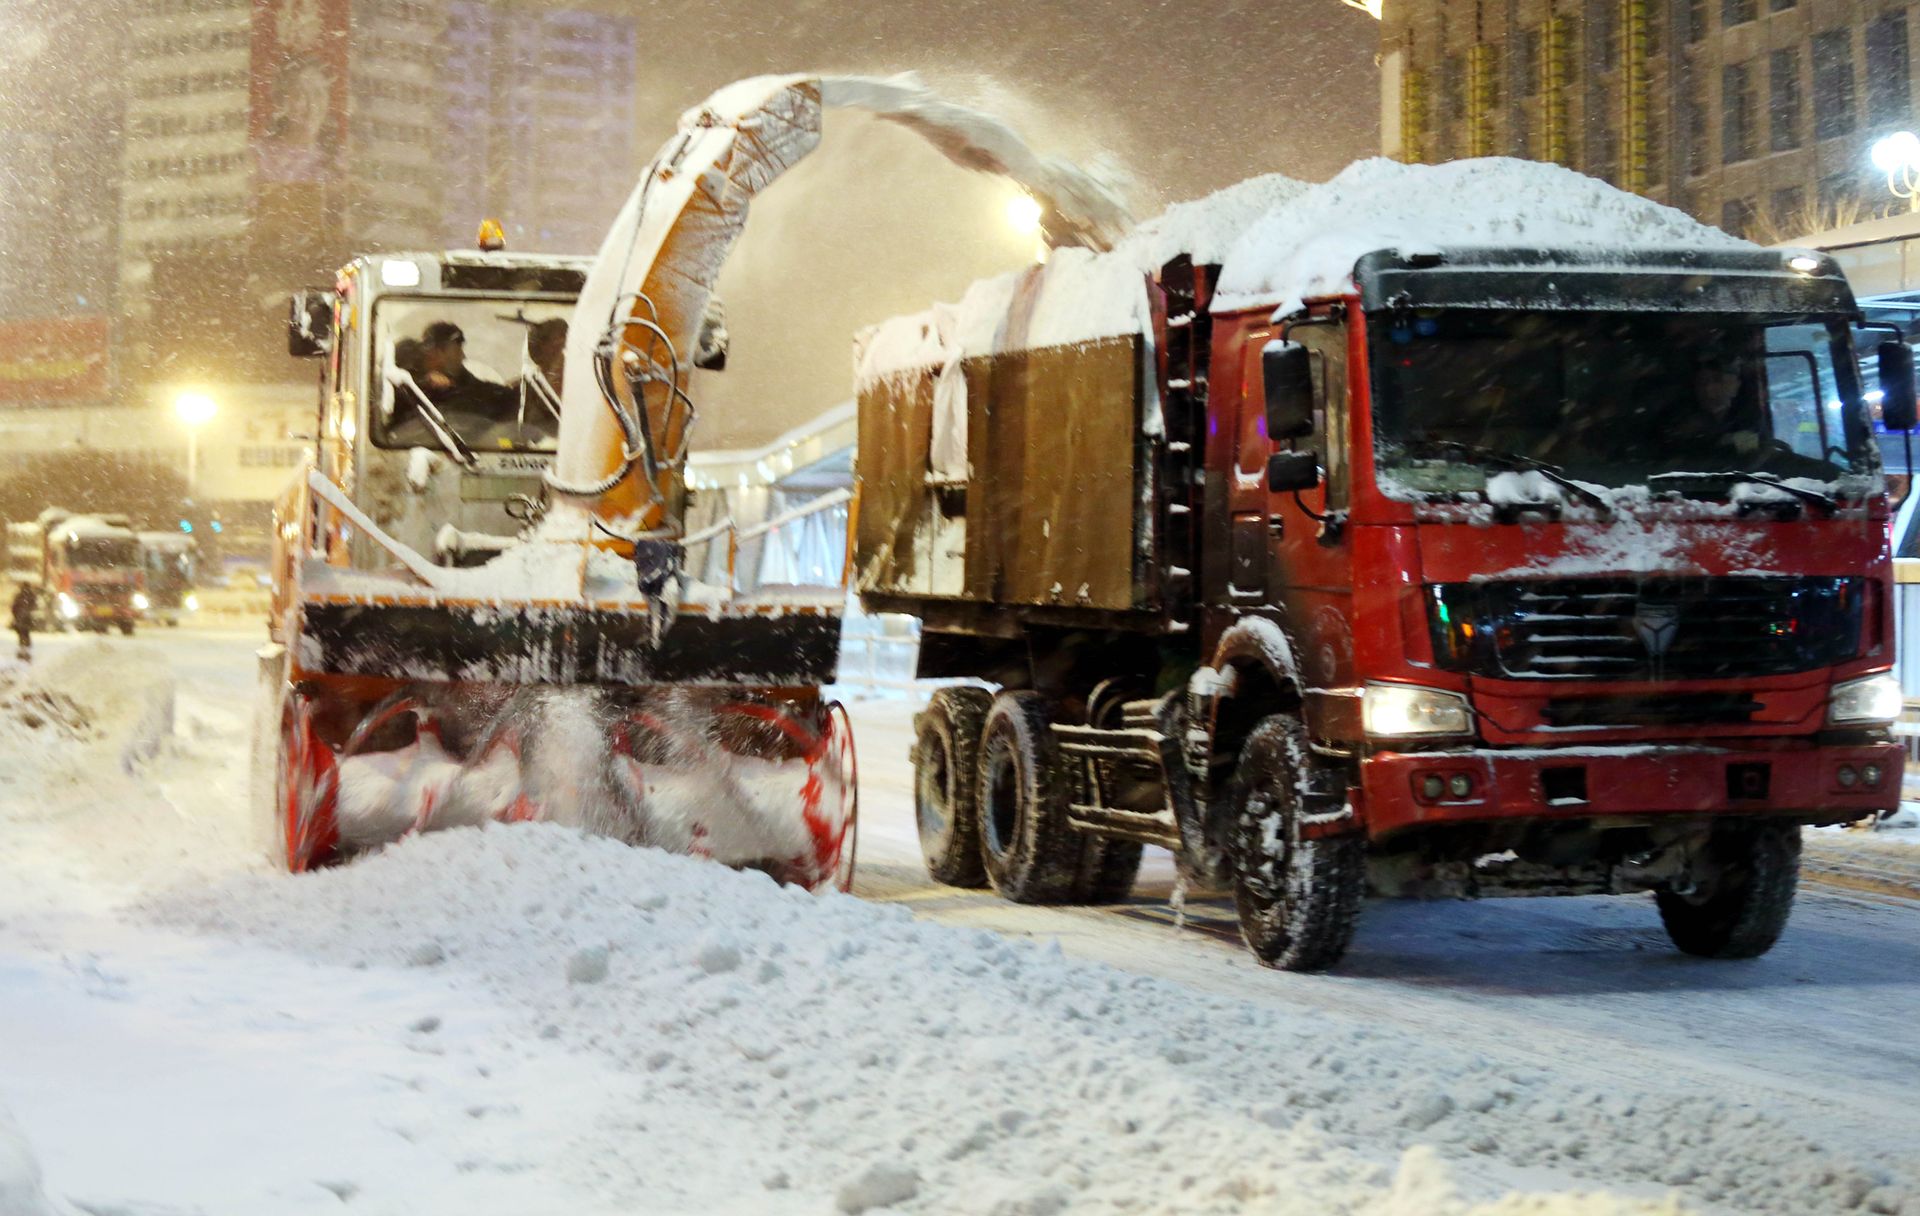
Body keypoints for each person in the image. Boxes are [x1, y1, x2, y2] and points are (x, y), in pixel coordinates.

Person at [11, 583, 37, 663]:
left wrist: (16, 616)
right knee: (26, 634)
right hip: (27, 620)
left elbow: (14, 607)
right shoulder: (32, 596)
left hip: (20, 619)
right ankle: (26, 651)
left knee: (21, 634)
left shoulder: (19, 596)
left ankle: (22, 650)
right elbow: (35, 607)